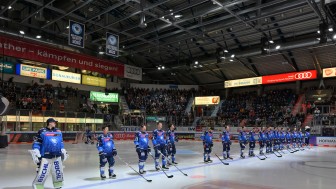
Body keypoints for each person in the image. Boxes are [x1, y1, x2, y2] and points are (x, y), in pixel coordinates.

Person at [30, 118, 68, 189]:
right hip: (45, 155)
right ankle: (38, 185)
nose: (55, 124)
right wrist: (36, 149)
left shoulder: (58, 131)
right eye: (54, 122)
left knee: (58, 171)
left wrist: (62, 149)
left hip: (57, 154)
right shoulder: (42, 131)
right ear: (50, 123)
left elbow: (61, 142)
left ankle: (58, 184)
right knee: (42, 172)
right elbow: (37, 142)